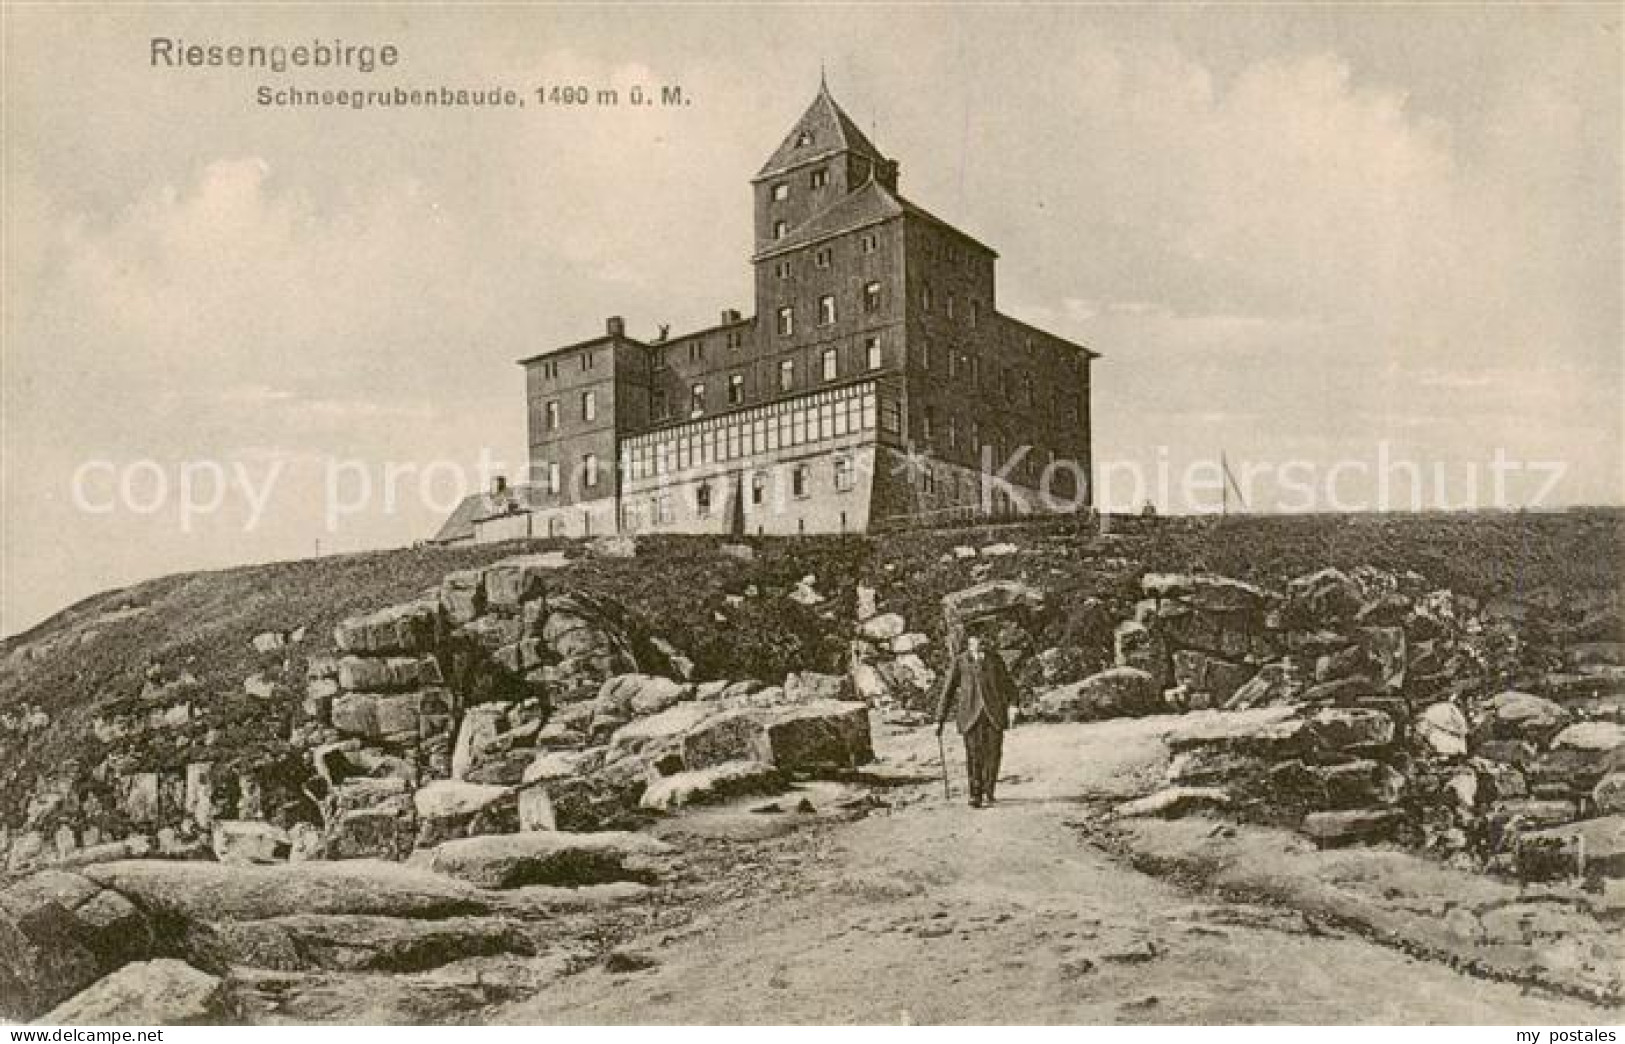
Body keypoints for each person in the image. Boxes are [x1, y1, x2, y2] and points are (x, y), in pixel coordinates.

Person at [934, 632, 1014, 808]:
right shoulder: (960, 661)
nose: (979, 642)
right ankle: (975, 794)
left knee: (993, 754)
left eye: (982, 639)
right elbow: (947, 691)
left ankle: (989, 789)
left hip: (994, 714)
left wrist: (1014, 705)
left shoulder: (995, 660)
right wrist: (939, 718)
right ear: (969, 642)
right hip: (970, 715)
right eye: (975, 639)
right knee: (973, 755)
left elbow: (1008, 684)